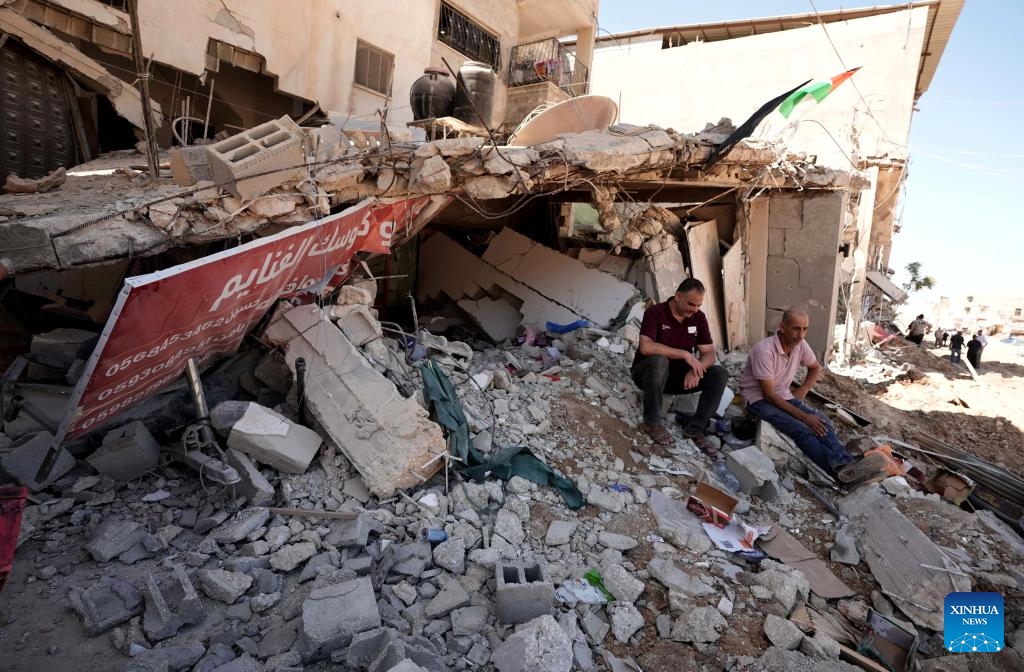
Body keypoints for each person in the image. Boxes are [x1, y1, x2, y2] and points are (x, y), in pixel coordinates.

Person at [738, 308, 887, 485]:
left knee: (821, 421)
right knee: (802, 429)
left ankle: (845, 465)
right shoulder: (765, 350)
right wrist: (803, 416)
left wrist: (803, 389)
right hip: (758, 400)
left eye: (805, 329)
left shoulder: (799, 345)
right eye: (795, 328)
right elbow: (769, 395)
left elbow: (816, 367)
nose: (801, 334)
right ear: (782, 327)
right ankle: (841, 476)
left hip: (783, 396)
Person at [631, 278, 728, 455]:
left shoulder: (698, 318)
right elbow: (646, 347)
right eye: (691, 304)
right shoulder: (656, 312)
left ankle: (695, 429)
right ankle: (652, 423)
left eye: (698, 305)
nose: (695, 309)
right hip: (647, 375)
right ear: (678, 296)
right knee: (660, 360)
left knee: (720, 374)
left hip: (679, 379)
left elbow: (709, 353)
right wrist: (685, 354)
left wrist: (696, 371)